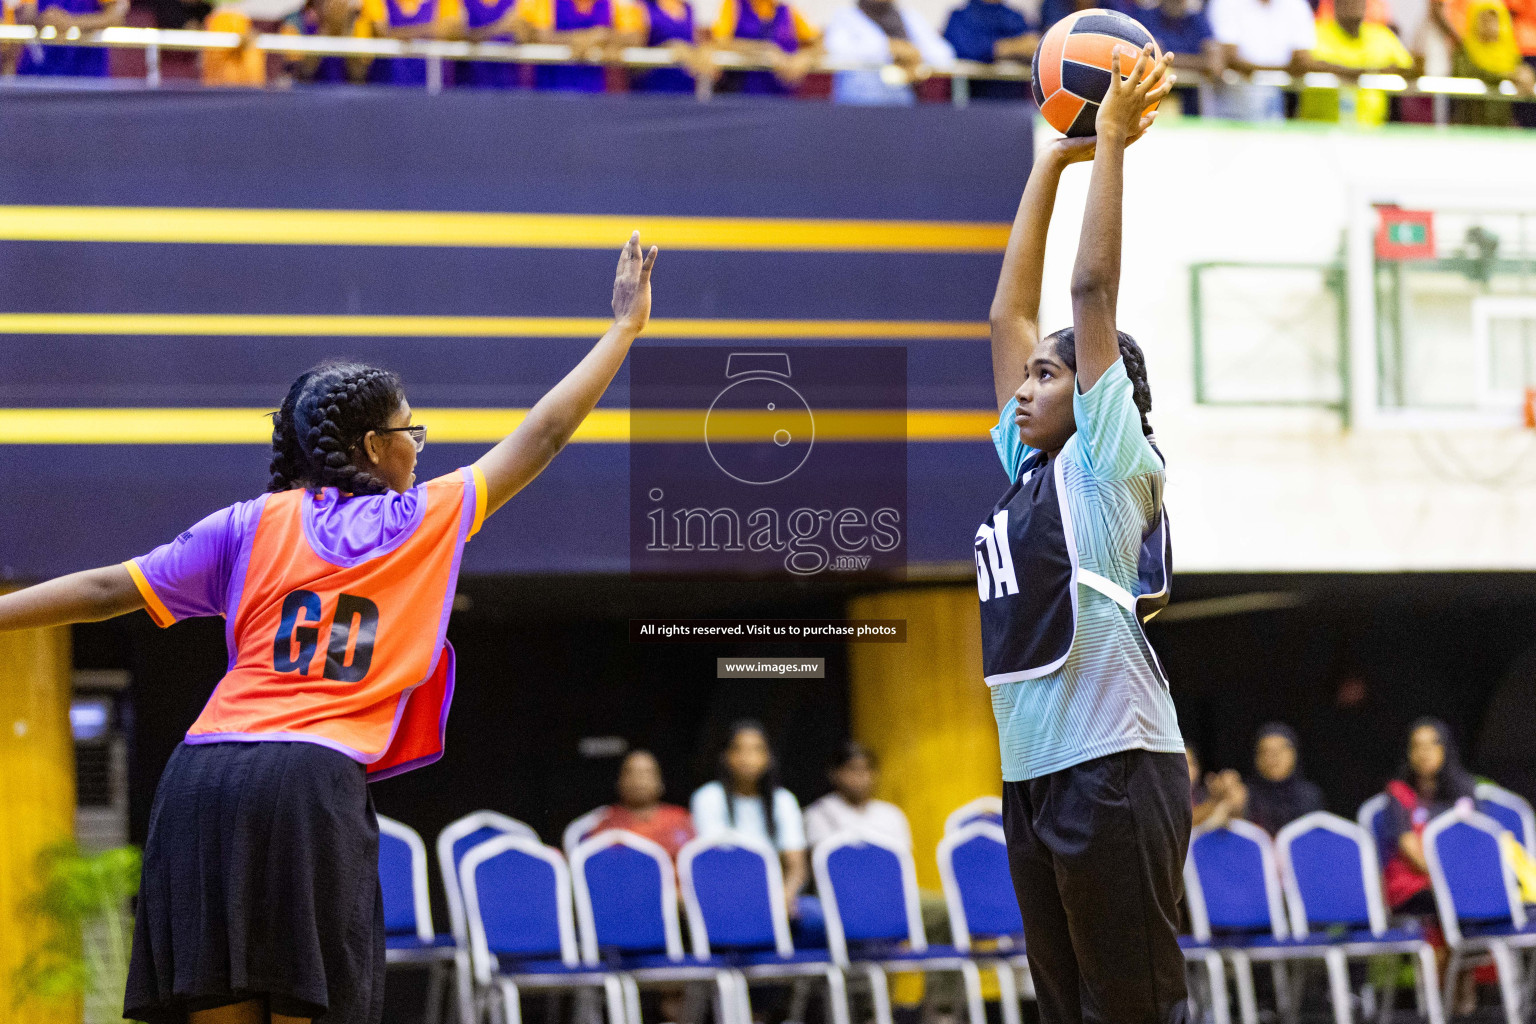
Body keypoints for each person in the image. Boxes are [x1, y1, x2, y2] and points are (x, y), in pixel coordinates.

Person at [0, 233, 658, 1024]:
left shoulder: (248, 523)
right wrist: (622, 330)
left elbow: (108, 587)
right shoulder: (425, 516)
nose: (419, 449)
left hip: (202, 778)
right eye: (410, 433)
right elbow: (545, 435)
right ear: (374, 447)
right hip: (307, 785)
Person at [981, 45, 1187, 1024]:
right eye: (1028, 378)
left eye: (1047, 378)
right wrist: (1045, 162)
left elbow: (1086, 295)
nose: (1025, 387)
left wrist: (1107, 146)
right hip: (1033, 776)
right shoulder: (1031, 472)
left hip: (1113, 764)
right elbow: (1005, 316)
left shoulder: (1112, 460)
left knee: (1133, 1010)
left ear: (1101, 394)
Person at [690, 721, 810, 920]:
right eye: (739, 749)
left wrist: (786, 894)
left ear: (769, 757)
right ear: (726, 756)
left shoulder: (784, 800)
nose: (747, 758)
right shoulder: (707, 797)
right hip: (723, 893)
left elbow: (796, 866)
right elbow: (715, 862)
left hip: (776, 892)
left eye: (757, 750)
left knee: (814, 915)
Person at [1381, 717, 1478, 916]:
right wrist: (1448, 877)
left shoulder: (1464, 790)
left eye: (1432, 744)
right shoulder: (1399, 792)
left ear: (1446, 748)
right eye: (1417, 746)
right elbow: (1408, 845)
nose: (1424, 753)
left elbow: (1474, 842)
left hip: (1460, 878)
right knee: (1453, 899)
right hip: (1414, 884)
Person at [1298, 0, 1416, 125]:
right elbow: (1300, 63)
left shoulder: (1381, 34)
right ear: (1335, 5)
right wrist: (1350, 71)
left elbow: (1410, 68)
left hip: (1372, 127)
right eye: (1346, 3)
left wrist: (1375, 71)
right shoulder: (1316, 31)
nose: (1352, 7)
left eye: (1357, 2)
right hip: (1319, 127)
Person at [822, 0, 955, 103]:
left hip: (902, 106)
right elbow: (835, 50)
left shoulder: (908, 17)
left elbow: (944, 55)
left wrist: (914, 52)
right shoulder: (845, 16)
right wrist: (888, 48)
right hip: (857, 106)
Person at [1207, 0, 1317, 119]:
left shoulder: (1296, 5)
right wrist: (1282, 70)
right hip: (1233, 104)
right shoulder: (1225, 3)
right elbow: (1231, 59)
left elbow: (1303, 61)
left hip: (1281, 101)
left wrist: (1256, 70)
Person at [589, 750, 697, 859]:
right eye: (631, 773)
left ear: (660, 782)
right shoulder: (608, 822)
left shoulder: (679, 818)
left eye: (646, 773)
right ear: (619, 782)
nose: (639, 780)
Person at [804, 741, 913, 849]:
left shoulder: (892, 814)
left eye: (866, 769)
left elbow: (901, 859)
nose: (860, 776)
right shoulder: (820, 813)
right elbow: (822, 859)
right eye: (853, 769)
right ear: (835, 773)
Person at [514, 0, 644, 90]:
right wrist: (586, 38)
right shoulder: (545, 3)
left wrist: (603, 35)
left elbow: (634, 37)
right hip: (550, 93)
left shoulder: (618, 3)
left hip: (597, 95)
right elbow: (538, 35)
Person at [1448, 0, 1536, 125]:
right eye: (1485, 20)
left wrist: (1527, 74)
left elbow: (1521, 71)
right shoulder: (1465, 50)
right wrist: (1509, 75)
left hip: (1501, 122)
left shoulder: (1509, 49)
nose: (1491, 26)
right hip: (1472, 121)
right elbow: (1469, 74)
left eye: (1495, 20)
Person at [710, 0, 823, 95]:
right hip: (741, 95)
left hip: (781, 96)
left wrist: (804, 57)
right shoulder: (734, 5)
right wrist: (765, 51)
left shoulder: (786, 10)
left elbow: (816, 43)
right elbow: (721, 42)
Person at [1136, 0, 1226, 113]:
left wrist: (1170, 60)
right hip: (1156, 93)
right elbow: (1153, 58)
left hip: (1193, 95)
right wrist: (1200, 62)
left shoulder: (1197, 19)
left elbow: (1215, 64)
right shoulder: (1146, 16)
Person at [355, 0, 467, 86]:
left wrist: (398, 34)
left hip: (432, 90)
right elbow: (381, 33)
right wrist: (430, 30)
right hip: (385, 90)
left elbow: (452, 30)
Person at [941, 0, 1037, 100]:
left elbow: (1032, 47)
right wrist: (1011, 48)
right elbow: (968, 49)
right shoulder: (959, 17)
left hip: (1016, 102)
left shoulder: (1016, 17)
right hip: (972, 101)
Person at [1243, 723, 1325, 835]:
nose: (1273, 757)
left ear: (1294, 754)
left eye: (1281, 750)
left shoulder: (1310, 795)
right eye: (1266, 751)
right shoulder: (1244, 795)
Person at [11, 0, 127, 77]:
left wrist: (71, 22)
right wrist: (45, 20)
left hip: (85, 72)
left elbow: (116, 16)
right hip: (37, 72)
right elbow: (25, 14)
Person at [628, 0, 716, 94]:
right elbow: (632, 58)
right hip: (652, 91)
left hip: (685, 91)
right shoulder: (641, 8)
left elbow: (698, 43)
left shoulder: (689, 9)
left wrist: (705, 49)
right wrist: (670, 49)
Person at [281, 0, 368, 84]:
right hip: (316, 87)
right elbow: (305, 73)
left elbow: (358, 77)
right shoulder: (306, 23)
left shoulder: (355, 30)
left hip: (347, 88)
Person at [1187, 745, 1248, 829]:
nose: (1186, 769)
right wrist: (1217, 800)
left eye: (1190, 763)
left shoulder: (1200, 795)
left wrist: (1229, 800)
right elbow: (1184, 825)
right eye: (1182, 763)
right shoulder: (1167, 799)